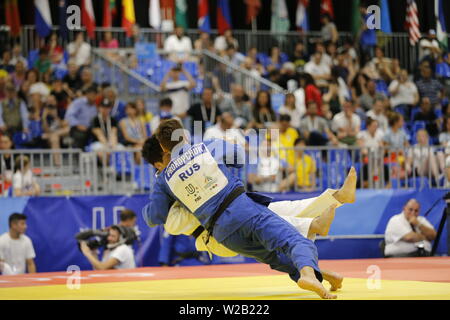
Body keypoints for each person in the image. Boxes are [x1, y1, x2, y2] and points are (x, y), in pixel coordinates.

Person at [142, 124, 357, 298]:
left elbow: (154, 216)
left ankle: (321, 269)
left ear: (164, 147)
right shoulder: (204, 148)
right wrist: (223, 172)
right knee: (291, 237)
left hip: (222, 232)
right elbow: (238, 156)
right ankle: (316, 230)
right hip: (231, 217)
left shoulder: (164, 182)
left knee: (275, 244)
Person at [64, 85, 98, 149]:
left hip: (91, 129)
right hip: (77, 128)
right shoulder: (78, 102)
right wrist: (77, 125)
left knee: (98, 136)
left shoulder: (96, 105)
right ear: (87, 94)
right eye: (90, 94)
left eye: (94, 95)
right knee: (80, 136)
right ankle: (78, 156)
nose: (92, 97)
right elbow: (69, 115)